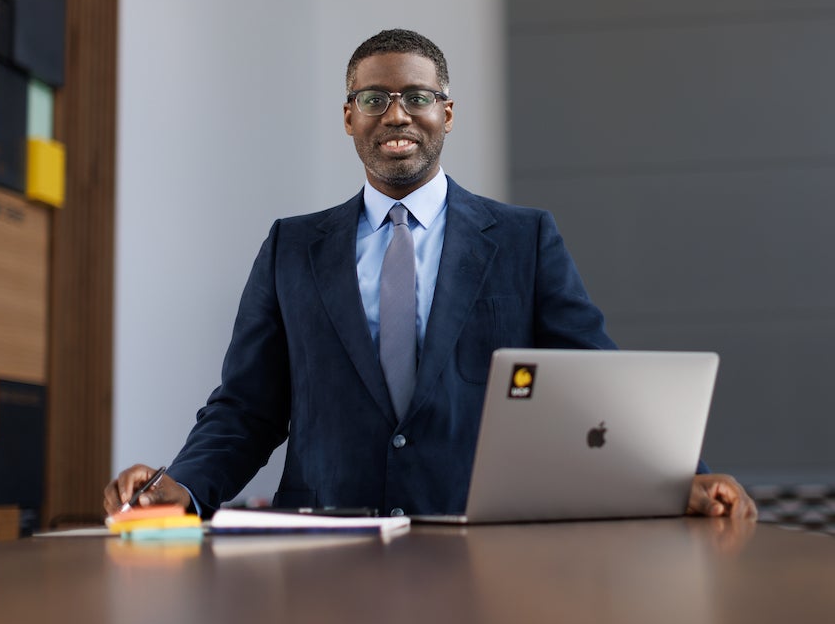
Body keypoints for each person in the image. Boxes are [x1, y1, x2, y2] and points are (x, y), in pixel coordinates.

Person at [104, 29, 756, 520]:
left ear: (447, 112)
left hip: (474, 541)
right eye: (373, 97)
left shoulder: (525, 240)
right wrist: (182, 486)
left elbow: (596, 382)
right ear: (348, 116)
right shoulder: (291, 248)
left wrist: (681, 479)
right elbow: (247, 407)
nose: (396, 114)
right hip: (323, 542)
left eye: (417, 96)